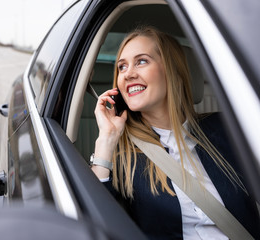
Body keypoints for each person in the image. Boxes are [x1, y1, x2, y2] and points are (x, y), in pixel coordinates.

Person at [91, 26, 259, 239]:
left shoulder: (227, 128)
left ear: (171, 69)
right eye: (122, 67)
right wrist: (106, 138)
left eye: (141, 61)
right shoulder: (121, 155)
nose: (128, 74)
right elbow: (93, 223)